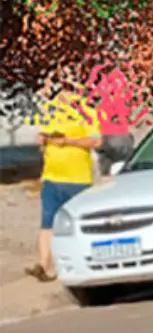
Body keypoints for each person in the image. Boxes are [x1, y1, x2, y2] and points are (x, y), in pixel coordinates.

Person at [25, 91, 101, 282]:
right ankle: (43, 265)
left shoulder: (87, 112)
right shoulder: (52, 113)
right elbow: (41, 136)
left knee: (79, 223)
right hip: (51, 178)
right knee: (47, 223)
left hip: (78, 180)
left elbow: (96, 141)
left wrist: (67, 141)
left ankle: (85, 263)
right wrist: (42, 138)